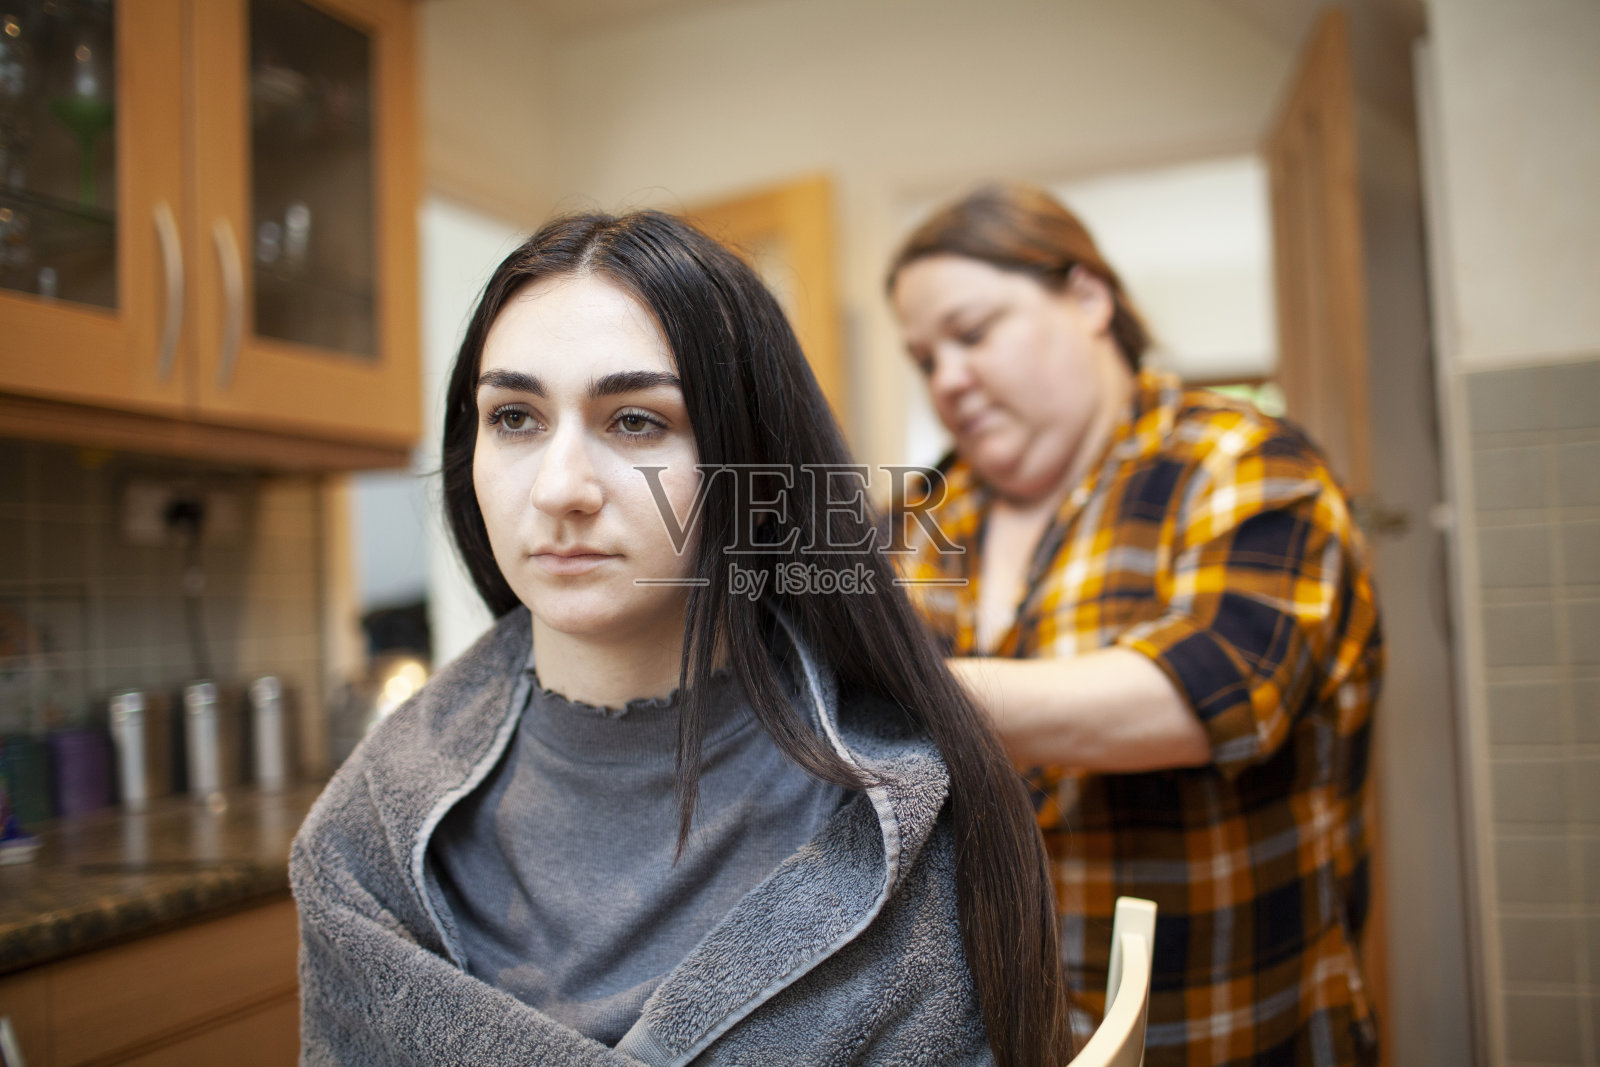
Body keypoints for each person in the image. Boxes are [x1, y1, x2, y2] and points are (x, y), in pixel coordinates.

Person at [291, 209, 1074, 1066]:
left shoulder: (902, 808)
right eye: (514, 416)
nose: (560, 488)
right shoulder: (364, 842)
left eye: (636, 421)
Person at [887, 184, 1382, 1066]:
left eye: (972, 332)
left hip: (1232, 1031)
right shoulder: (926, 513)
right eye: (925, 358)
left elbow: (1215, 692)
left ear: (1086, 297)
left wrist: (889, 688)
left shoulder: (1242, 461)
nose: (947, 378)